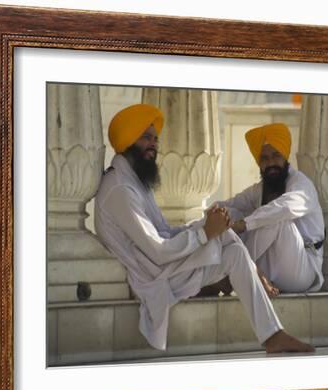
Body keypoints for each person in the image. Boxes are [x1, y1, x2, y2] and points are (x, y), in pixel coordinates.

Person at [94, 104, 314, 354]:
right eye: (146, 137)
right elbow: (158, 251)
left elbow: (164, 232)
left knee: (231, 247)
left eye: (155, 138)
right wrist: (204, 232)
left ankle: (272, 334)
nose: (154, 144)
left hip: (161, 268)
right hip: (151, 276)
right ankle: (252, 302)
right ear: (128, 139)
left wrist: (207, 226)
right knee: (226, 240)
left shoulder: (134, 181)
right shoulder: (121, 190)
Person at [212, 123, 325, 297]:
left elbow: (284, 207)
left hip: (301, 270)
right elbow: (229, 204)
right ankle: (240, 271)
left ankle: (231, 274)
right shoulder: (259, 189)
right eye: (264, 158)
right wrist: (212, 217)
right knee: (227, 213)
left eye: (275, 156)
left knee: (275, 218)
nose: (271, 163)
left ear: (285, 156)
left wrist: (243, 224)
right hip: (269, 264)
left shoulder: (301, 185)